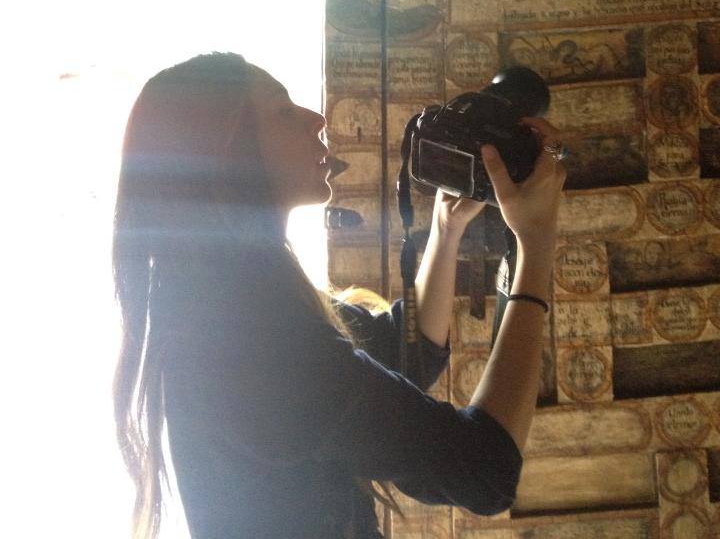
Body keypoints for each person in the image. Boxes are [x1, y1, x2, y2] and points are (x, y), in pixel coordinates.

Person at [113, 53, 566, 539]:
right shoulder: (248, 338)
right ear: (224, 154)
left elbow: (403, 351)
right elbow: (485, 469)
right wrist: (536, 244)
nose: (317, 119)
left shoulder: (230, 304)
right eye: (282, 111)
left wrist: (446, 226)